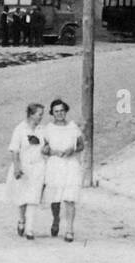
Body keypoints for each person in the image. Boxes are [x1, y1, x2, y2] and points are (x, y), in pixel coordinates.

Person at [42, 98, 83, 241]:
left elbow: (81, 145)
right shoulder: (48, 129)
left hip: (70, 165)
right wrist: (52, 151)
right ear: (52, 113)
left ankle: (70, 229)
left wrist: (73, 149)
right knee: (55, 198)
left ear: (66, 111)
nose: (59, 114)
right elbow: (44, 149)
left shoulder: (73, 127)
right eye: (56, 111)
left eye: (62, 111)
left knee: (70, 197)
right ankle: (56, 219)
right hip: (55, 166)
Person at [8, 102, 47, 239]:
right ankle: (21, 220)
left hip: (38, 167)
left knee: (33, 197)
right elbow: (14, 149)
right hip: (24, 167)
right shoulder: (20, 129)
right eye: (39, 114)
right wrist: (17, 166)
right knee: (22, 197)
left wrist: (46, 150)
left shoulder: (42, 130)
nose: (41, 117)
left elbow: (46, 146)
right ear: (31, 114)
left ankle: (30, 228)